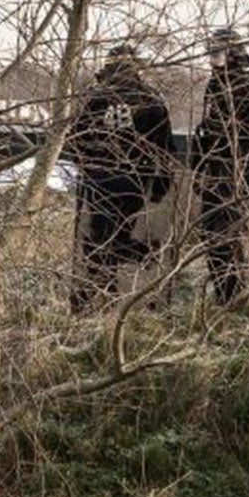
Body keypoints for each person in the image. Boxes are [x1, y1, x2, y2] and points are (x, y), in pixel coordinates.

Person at [65, 43, 174, 310]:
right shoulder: (151, 98)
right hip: (134, 182)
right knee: (113, 238)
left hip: (100, 180)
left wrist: (84, 169)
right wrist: (160, 186)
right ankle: (130, 267)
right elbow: (166, 149)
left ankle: (103, 299)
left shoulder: (97, 97)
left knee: (98, 241)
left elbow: (75, 141)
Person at [194, 28, 249, 306]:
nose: (212, 59)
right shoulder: (215, 85)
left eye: (217, 53)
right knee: (211, 233)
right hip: (213, 169)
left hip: (237, 171)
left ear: (232, 53)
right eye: (211, 53)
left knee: (236, 234)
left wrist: (238, 169)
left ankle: (239, 294)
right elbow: (208, 127)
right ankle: (223, 293)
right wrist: (201, 164)